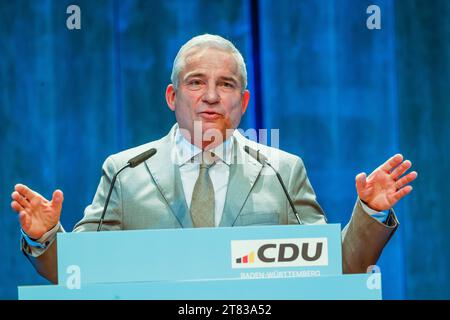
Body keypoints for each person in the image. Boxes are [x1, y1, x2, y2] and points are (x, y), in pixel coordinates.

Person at [10, 34, 417, 284]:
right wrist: (46, 238)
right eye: (195, 83)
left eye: (225, 85)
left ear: (242, 103)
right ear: (172, 97)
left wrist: (369, 213)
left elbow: (335, 269)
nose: (209, 96)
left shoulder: (281, 170)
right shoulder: (126, 172)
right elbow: (79, 271)